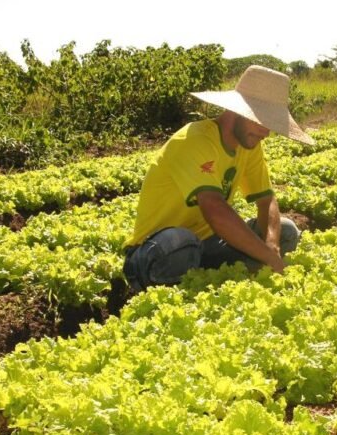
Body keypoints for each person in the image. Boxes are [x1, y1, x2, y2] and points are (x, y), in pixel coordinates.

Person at [122, 65, 315, 292]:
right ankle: (158, 293)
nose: (266, 133)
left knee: (286, 231)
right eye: (261, 121)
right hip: (155, 251)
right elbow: (214, 209)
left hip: (207, 245)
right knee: (182, 244)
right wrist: (267, 257)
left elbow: (267, 200)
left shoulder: (249, 144)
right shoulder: (195, 140)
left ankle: (212, 288)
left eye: (270, 125)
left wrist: (271, 246)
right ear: (238, 112)